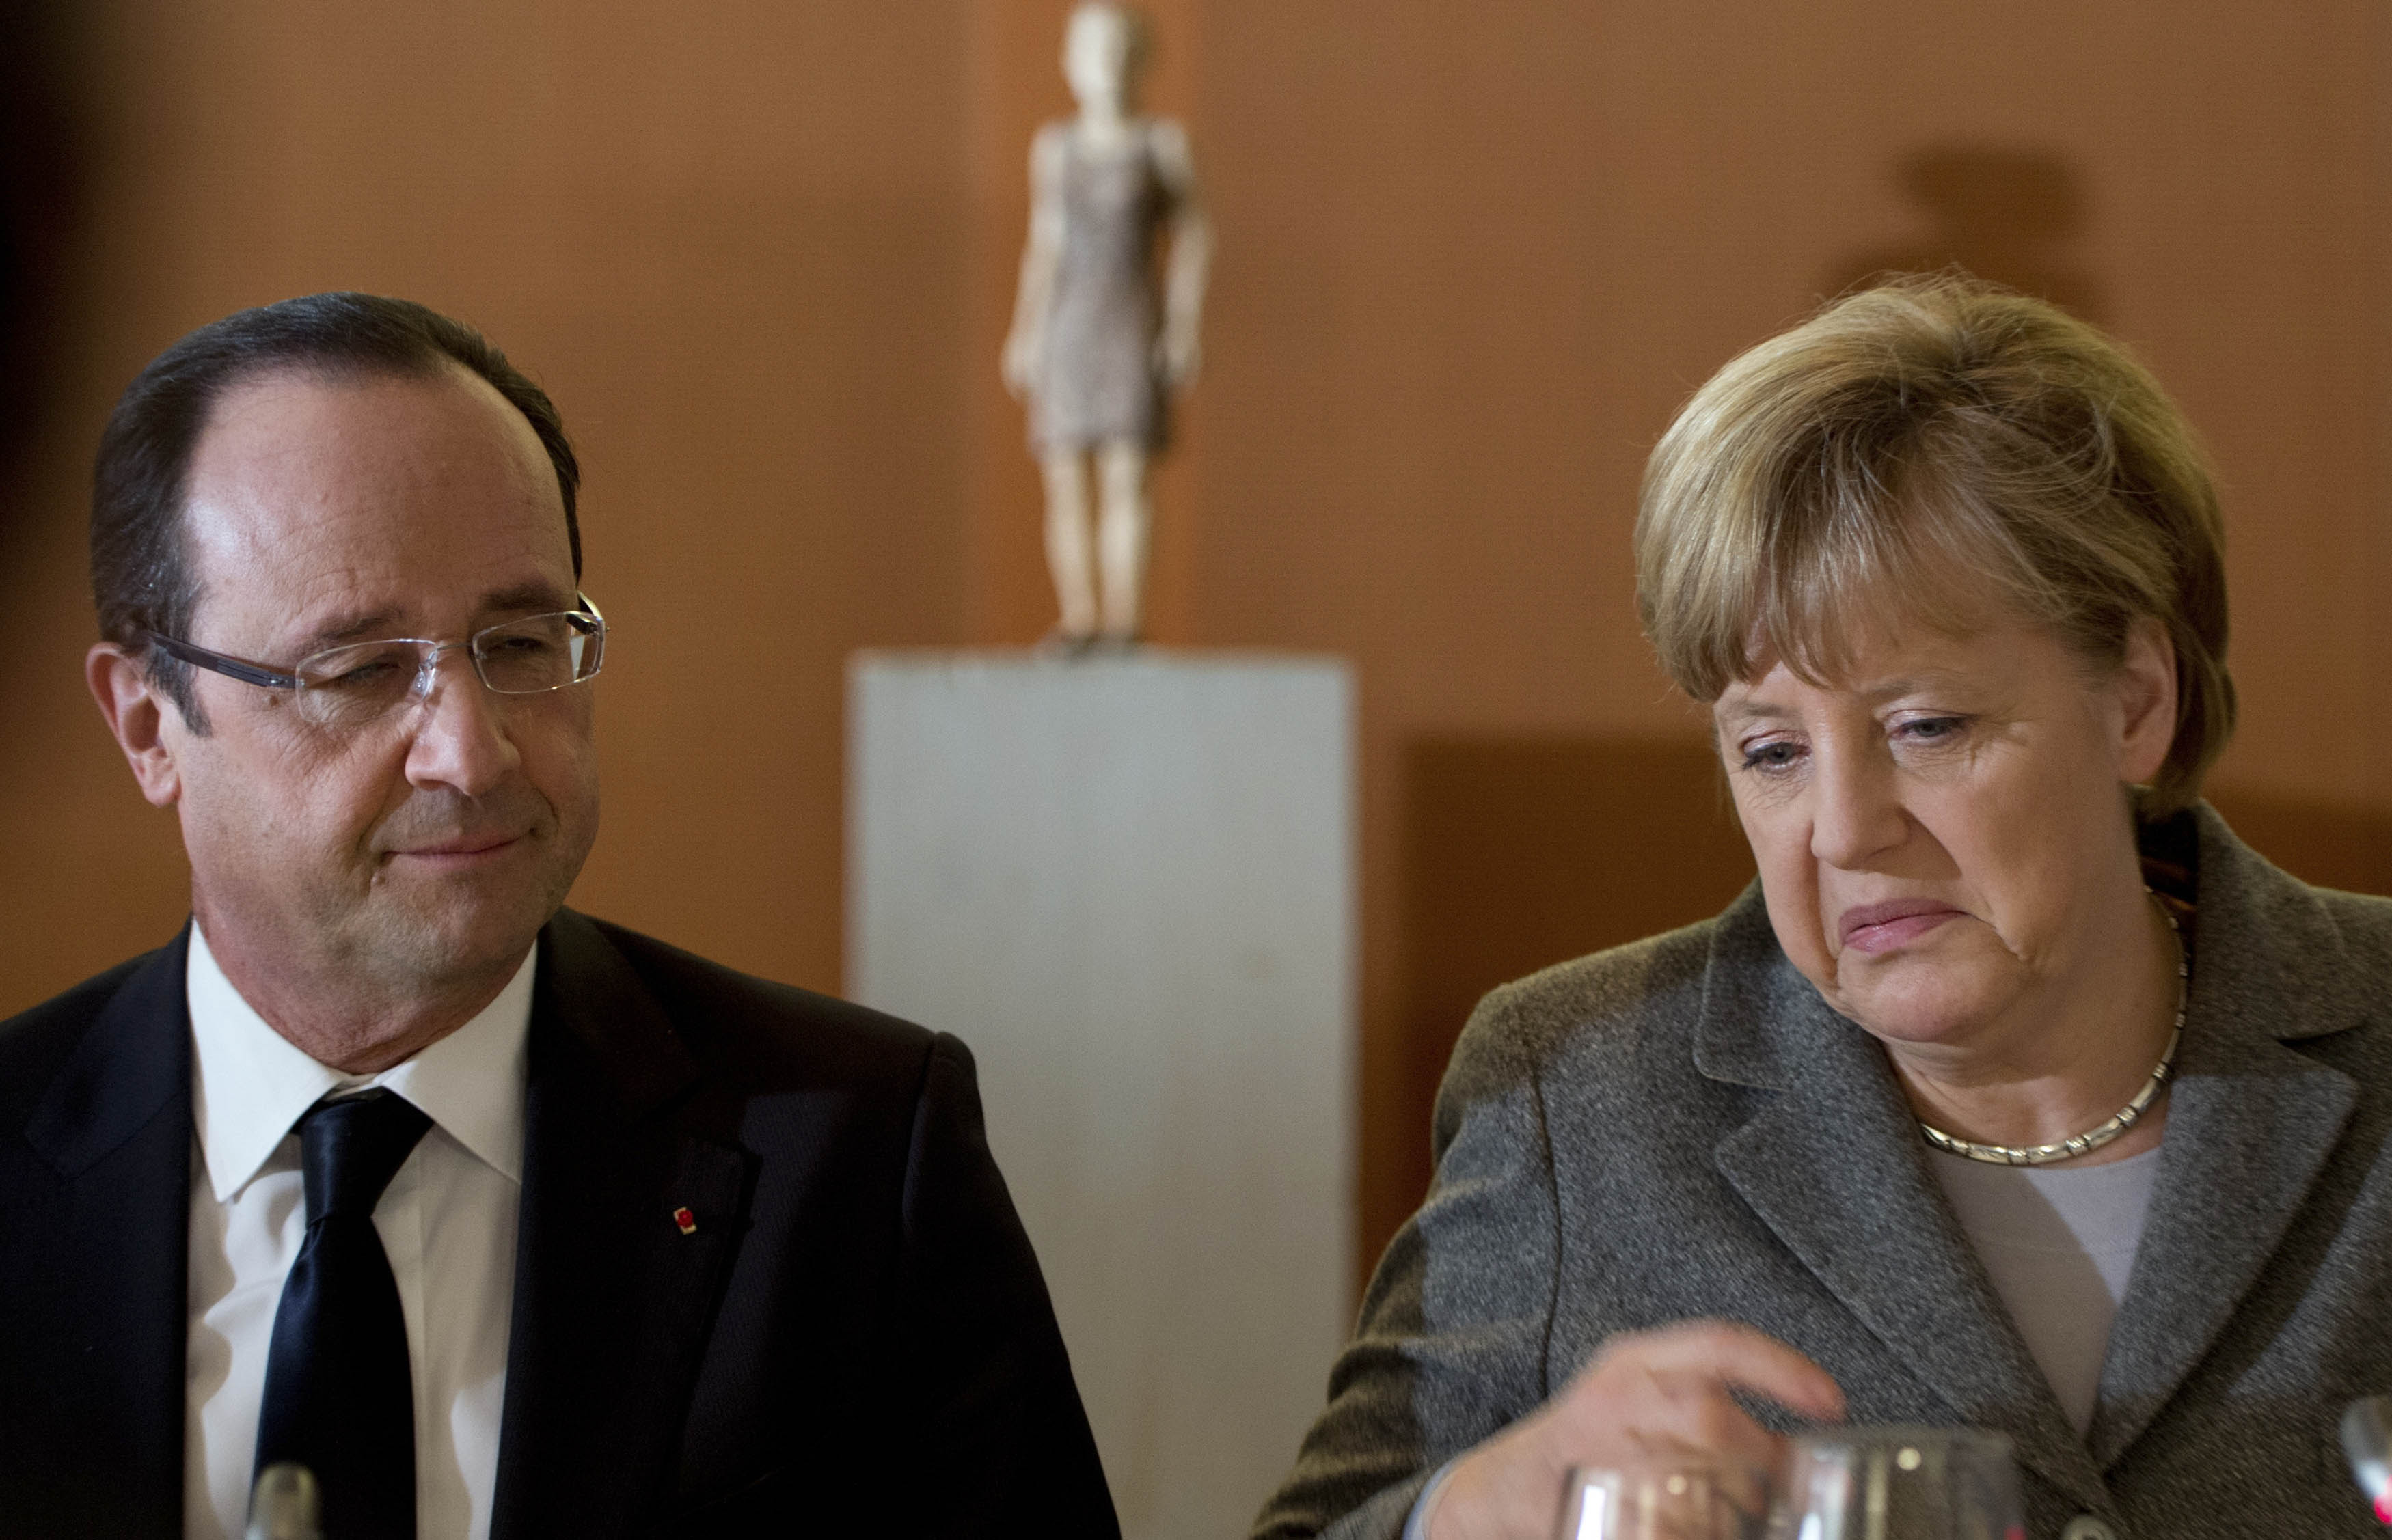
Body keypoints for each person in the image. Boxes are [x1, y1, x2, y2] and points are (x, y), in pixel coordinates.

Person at [1254, 275, 2392, 1539]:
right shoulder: (1575, 1094)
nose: (1845, 830)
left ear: (2135, 700)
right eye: (1774, 751)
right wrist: (1474, 1509)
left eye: (1926, 725)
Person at [0, 294, 1121, 1540]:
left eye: (523, 643)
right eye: (361, 669)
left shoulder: (858, 1159)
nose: (471, 751)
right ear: (149, 723)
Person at [1001, 1, 1210, 650]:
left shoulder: (1161, 145)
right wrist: (1026, 330)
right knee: (1065, 480)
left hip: (1129, 321)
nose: (1108, 66)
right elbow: (1045, 244)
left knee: (1127, 475)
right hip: (1069, 324)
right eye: (1095, 52)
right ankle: (1080, 619)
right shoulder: (1056, 147)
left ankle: (1122, 622)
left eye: (1119, 52)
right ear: (1072, 62)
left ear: (1142, 59)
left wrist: (1182, 325)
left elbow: (1196, 234)